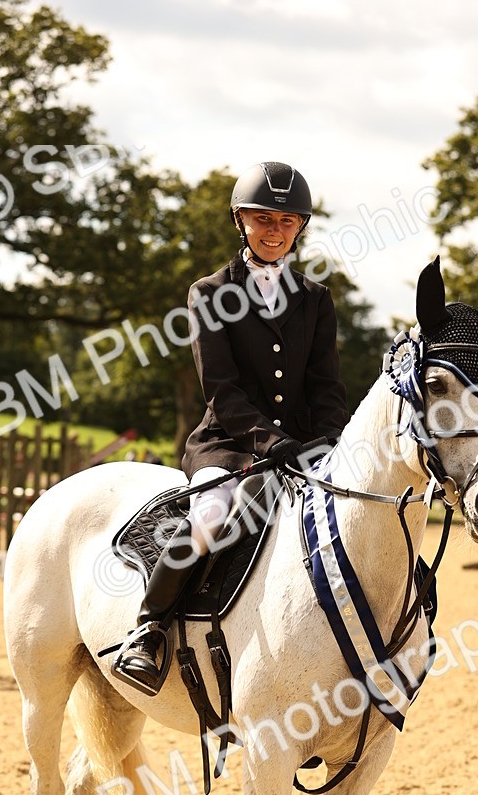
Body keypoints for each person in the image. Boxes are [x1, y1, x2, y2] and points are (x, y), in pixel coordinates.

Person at [112, 160, 350, 690]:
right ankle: (148, 630)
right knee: (211, 519)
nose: (275, 230)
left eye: (287, 222)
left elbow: (326, 386)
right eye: (263, 218)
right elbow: (221, 390)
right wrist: (275, 442)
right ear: (240, 221)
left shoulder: (316, 299)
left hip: (305, 449)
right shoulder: (210, 292)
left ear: (301, 228)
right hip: (229, 444)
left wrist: (330, 443)